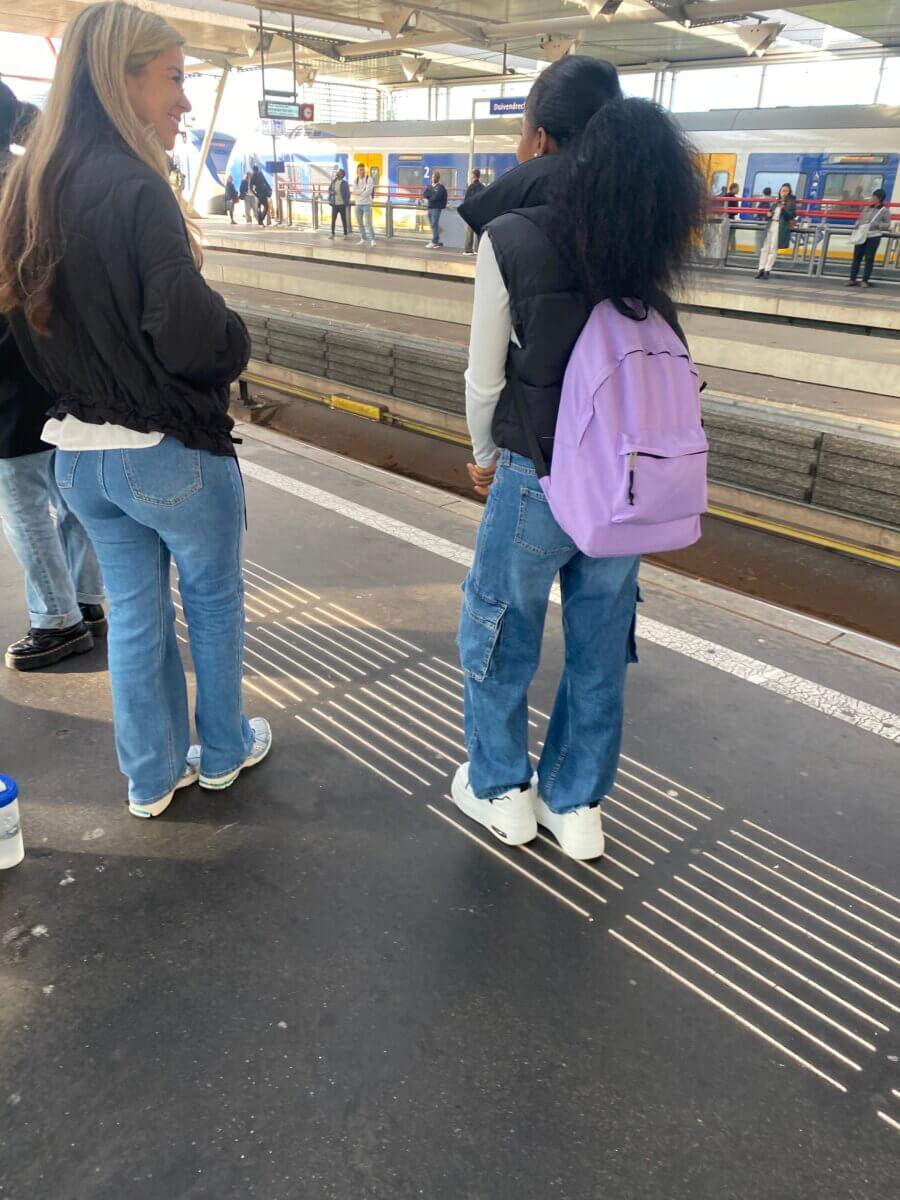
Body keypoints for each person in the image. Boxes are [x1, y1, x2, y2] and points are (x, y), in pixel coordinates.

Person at [0, 0, 271, 818]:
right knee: (213, 604)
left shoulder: (29, 189)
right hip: (168, 453)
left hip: (81, 457)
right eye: (174, 79)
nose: (185, 100)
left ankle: (150, 777)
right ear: (121, 79)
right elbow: (188, 333)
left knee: (135, 616)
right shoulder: (136, 187)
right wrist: (236, 335)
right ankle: (222, 752)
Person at [452, 55, 704, 861]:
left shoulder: (510, 236)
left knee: (499, 630)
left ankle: (501, 791)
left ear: (537, 139)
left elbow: (483, 377)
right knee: (599, 645)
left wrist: (483, 454)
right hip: (625, 484)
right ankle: (576, 804)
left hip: (537, 475)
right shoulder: (638, 228)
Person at [0, 81, 106, 672]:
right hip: (56, 365)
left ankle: (56, 620)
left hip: (9, 372)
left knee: (20, 498)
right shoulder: (39, 183)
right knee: (68, 490)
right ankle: (85, 600)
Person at [848, 188, 891, 288]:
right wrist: (857, 224)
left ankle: (865, 280)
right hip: (862, 235)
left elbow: (887, 224)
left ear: (879, 199)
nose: (871, 199)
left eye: (874, 197)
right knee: (856, 258)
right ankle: (852, 279)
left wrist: (877, 225)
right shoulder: (867, 208)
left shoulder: (884, 210)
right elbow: (860, 218)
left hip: (873, 237)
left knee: (869, 259)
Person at [756, 182, 797, 279]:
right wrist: (768, 215)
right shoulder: (776, 202)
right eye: (782, 190)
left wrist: (783, 209)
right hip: (771, 225)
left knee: (773, 249)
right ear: (780, 192)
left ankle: (767, 270)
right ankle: (760, 269)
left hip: (780, 226)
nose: (784, 193)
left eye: (786, 191)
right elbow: (770, 213)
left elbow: (791, 216)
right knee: (764, 248)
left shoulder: (791, 203)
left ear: (789, 192)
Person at [423, 170, 448, 249]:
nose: (433, 178)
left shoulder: (440, 187)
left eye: (434, 177)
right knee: (432, 225)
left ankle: (435, 241)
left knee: (434, 224)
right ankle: (436, 239)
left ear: (437, 178)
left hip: (436, 208)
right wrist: (432, 194)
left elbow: (437, 197)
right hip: (430, 207)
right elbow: (425, 194)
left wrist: (430, 197)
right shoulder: (430, 186)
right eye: (432, 177)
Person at [463, 168, 485, 255]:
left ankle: (468, 250)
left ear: (473, 176)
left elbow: (466, 200)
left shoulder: (471, 187)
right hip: (480, 212)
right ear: (479, 176)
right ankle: (478, 249)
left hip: (472, 212)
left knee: (469, 231)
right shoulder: (483, 187)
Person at [353, 163, 376, 246]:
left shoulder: (369, 179)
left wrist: (359, 193)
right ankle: (363, 238)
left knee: (368, 223)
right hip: (358, 204)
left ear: (364, 170)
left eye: (362, 169)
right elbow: (354, 191)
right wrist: (363, 190)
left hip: (367, 204)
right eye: (360, 170)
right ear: (357, 170)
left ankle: (373, 240)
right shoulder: (355, 180)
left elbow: (368, 192)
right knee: (360, 223)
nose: (361, 171)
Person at [329, 168, 350, 238]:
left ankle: (345, 234)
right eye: (338, 172)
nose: (337, 173)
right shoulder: (333, 182)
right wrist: (331, 192)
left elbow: (348, 194)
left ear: (342, 175)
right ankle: (332, 233)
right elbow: (329, 190)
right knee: (333, 219)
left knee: (343, 219)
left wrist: (346, 203)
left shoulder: (345, 183)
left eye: (339, 172)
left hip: (342, 204)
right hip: (334, 204)